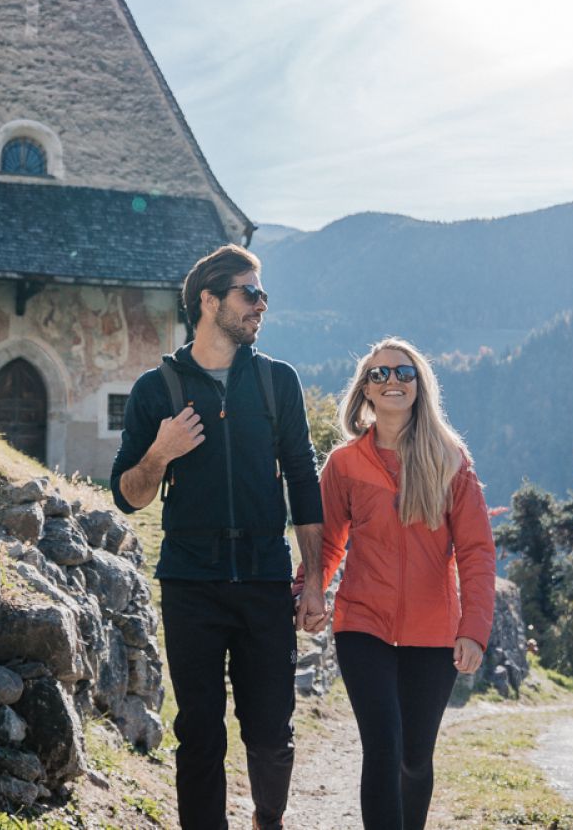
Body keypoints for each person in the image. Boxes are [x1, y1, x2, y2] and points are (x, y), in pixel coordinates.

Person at [110, 243, 324, 830]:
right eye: (249, 293)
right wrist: (160, 452)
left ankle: (268, 820)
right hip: (190, 583)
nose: (261, 305)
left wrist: (315, 582)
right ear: (209, 301)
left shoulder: (279, 382)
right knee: (199, 733)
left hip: (263, 579)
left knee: (271, 729)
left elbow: (304, 481)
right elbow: (127, 494)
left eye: (263, 295)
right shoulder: (158, 388)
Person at [307, 337, 496, 830]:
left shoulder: (451, 461)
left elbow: (476, 551)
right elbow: (328, 543)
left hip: (433, 633)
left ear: (420, 386)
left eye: (404, 372)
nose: (393, 380)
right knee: (383, 745)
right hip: (361, 624)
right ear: (365, 391)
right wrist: (308, 592)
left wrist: (473, 626)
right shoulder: (344, 464)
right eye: (380, 373)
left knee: (414, 757)